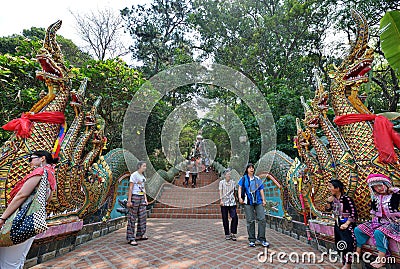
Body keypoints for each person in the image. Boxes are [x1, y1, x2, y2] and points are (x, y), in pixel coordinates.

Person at [0, 150, 57, 269]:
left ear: (42, 158)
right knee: (19, 260)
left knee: (7, 262)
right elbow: (49, 199)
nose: (29, 161)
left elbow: (21, 195)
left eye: (31, 158)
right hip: (33, 221)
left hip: (19, 220)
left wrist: (3, 217)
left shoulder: (40, 172)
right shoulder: (51, 175)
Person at [354, 173, 400, 268]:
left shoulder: (395, 195)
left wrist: (394, 189)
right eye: (375, 187)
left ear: (386, 184)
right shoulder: (375, 198)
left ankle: (382, 258)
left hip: (396, 222)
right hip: (380, 221)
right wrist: (373, 222)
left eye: (380, 185)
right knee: (358, 229)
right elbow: (373, 212)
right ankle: (358, 250)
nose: (379, 188)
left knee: (379, 232)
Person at [325, 180, 357, 269]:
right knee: (339, 243)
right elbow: (327, 210)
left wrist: (347, 224)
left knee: (348, 243)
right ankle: (344, 263)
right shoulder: (333, 199)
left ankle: (348, 264)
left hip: (347, 225)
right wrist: (328, 202)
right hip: (337, 224)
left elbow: (353, 213)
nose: (329, 188)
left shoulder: (347, 199)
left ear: (337, 188)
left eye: (330, 186)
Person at [238, 163, 268, 247]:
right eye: (249, 168)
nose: (251, 169)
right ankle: (252, 239)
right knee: (250, 220)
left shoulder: (257, 179)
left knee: (262, 219)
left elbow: (261, 189)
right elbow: (240, 188)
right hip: (248, 202)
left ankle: (261, 238)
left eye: (252, 168)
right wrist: (240, 197)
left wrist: (263, 200)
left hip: (258, 201)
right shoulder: (243, 179)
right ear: (247, 169)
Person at [126, 161, 148, 246]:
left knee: (142, 216)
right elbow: (130, 188)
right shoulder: (134, 175)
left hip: (142, 197)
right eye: (144, 166)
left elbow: (143, 188)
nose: (145, 168)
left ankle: (139, 235)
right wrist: (129, 200)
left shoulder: (142, 176)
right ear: (139, 166)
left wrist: (145, 199)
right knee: (132, 218)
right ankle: (131, 238)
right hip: (135, 197)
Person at [219, 168, 238, 241]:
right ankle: (227, 233)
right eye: (228, 174)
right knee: (225, 218)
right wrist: (221, 200)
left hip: (232, 202)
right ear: (224, 175)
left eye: (230, 174)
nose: (229, 175)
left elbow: (234, 191)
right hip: (224, 203)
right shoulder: (221, 183)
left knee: (235, 217)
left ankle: (233, 233)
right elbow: (220, 191)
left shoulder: (233, 182)